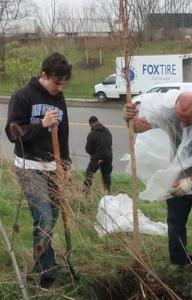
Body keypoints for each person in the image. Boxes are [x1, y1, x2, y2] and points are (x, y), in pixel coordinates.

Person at [123, 91, 192, 273]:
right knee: (175, 222)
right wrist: (128, 118)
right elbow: (139, 127)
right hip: (177, 179)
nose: (183, 123)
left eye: (188, 119)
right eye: (180, 118)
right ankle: (178, 260)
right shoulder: (169, 113)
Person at [5, 52, 72, 287]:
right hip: (29, 166)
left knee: (51, 218)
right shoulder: (22, 97)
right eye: (56, 82)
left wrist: (66, 165)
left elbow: (63, 134)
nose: (60, 87)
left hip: (54, 167)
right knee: (43, 218)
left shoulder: (59, 97)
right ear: (44, 75)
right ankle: (44, 275)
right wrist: (41, 125)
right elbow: (13, 134)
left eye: (64, 83)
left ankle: (47, 261)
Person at [83, 116, 113, 194]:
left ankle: (86, 192)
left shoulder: (92, 134)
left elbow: (88, 149)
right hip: (108, 156)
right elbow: (110, 142)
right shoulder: (107, 131)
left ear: (91, 123)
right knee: (106, 175)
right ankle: (108, 192)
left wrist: (94, 155)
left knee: (89, 174)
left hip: (97, 158)